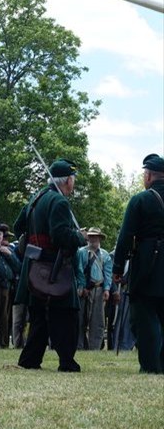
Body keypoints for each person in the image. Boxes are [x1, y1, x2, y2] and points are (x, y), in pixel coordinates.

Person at [15, 159, 86, 372]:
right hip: (53, 268)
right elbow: (61, 236)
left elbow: (19, 227)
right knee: (67, 315)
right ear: (67, 181)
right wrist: (79, 237)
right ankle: (66, 361)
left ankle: (30, 359)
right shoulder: (59, 202)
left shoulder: (35, 198)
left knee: (38, 315)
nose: (73, 184)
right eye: (73, 180)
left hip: (34, 265)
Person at [112, 153, 164, 374]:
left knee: (144, 315)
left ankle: (151, 366)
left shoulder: (141, 200)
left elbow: (125, 237)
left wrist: (117, 268)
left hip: (147, 263)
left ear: (149, 175)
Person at [75, 227, 113, 350]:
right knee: (80, 319)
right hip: (84, 289)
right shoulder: (81, 252)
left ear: (99, 238)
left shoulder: (105, 255)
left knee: (98, 321)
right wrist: (82, 287)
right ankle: (79, 346)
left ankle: (94, 347)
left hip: (99, 289)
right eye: (91, 236)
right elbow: (79, 270)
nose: (93, 239)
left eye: (95, 237)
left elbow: (108, 274)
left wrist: (107, 289)